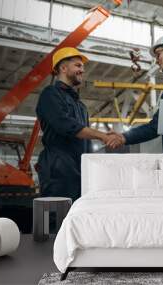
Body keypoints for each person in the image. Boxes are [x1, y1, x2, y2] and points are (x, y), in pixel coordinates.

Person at [35, 47, 119, 201]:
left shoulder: (80, 106)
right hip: (58, 169)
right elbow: (65, 125)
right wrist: (102, 135)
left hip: (79, 168)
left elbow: (84, 139)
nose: (82, 70)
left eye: (82, 67)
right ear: (63, 68)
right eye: (78, 65)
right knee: (59, 217)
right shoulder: (50, 94)